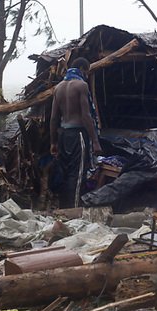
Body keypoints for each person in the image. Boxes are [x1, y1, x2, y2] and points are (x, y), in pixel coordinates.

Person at [50, 57, 102, 208]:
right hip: (78, 134)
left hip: (63, 135)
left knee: (65, 172)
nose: (87, 75)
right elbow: (86, 116)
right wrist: (96, 141)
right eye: (87, 72)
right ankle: (73, 209)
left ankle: (63, 208)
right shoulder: (81, 86)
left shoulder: (58, 88)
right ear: (83, 69)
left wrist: (53, 142)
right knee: (77, 173)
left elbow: (53, 118)